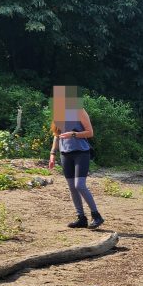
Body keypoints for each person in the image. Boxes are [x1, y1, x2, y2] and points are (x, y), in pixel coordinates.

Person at [48, 85, 104, 229]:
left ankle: (96, 215)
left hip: (81, 152)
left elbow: (90, 132)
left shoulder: (79, 111)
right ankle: (81, 218)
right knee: (72, 187)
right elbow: (56, 135)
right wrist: (52, 154)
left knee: (80, 185)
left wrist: (74, 134)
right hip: (65, 153)